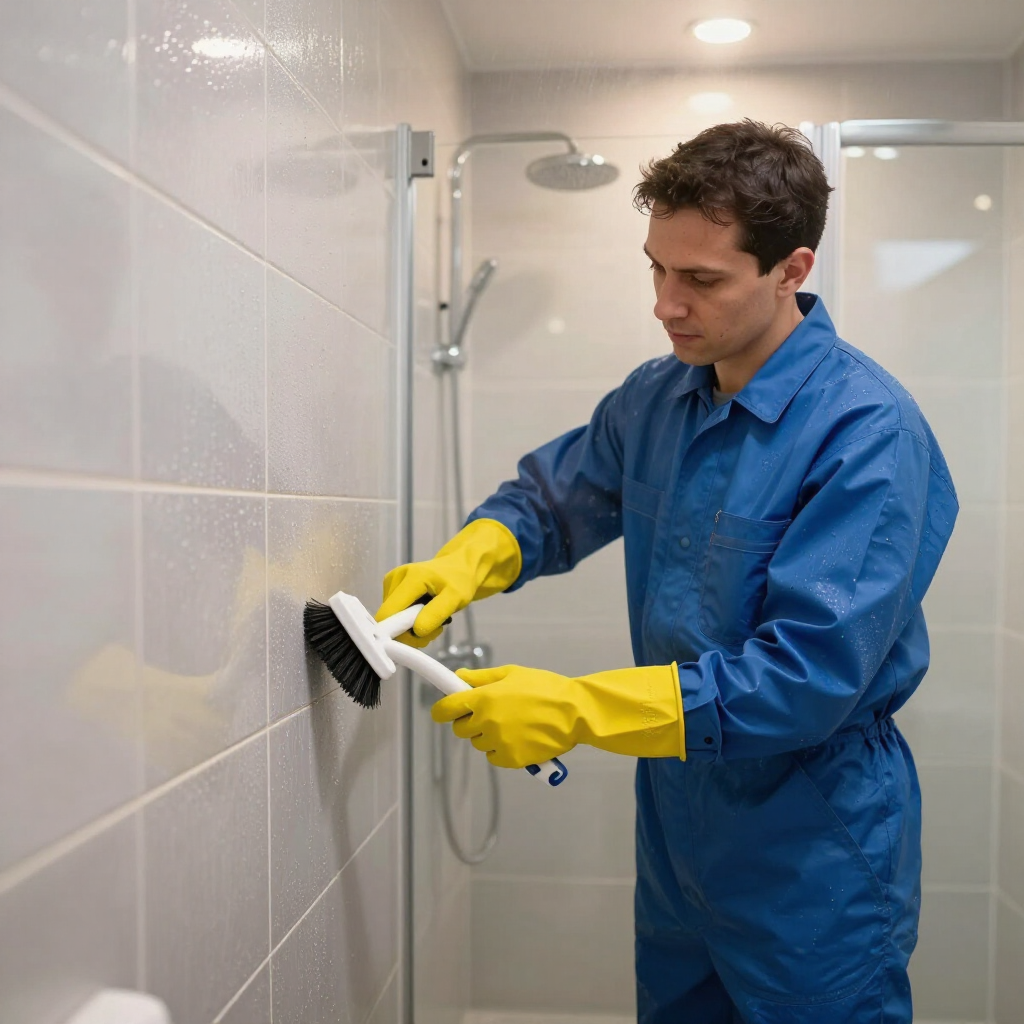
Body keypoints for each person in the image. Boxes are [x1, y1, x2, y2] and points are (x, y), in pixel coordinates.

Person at [376, 119, 959, 1023]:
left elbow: (805, 679)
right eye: (656, 267)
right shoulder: (659, 395)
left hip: (813, 849)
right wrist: (465, 562)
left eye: (701, 280)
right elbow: (551, 502)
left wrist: (576, 709)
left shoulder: (867, 431)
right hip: (679, 832)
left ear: (791, 271)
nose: (666, 304)